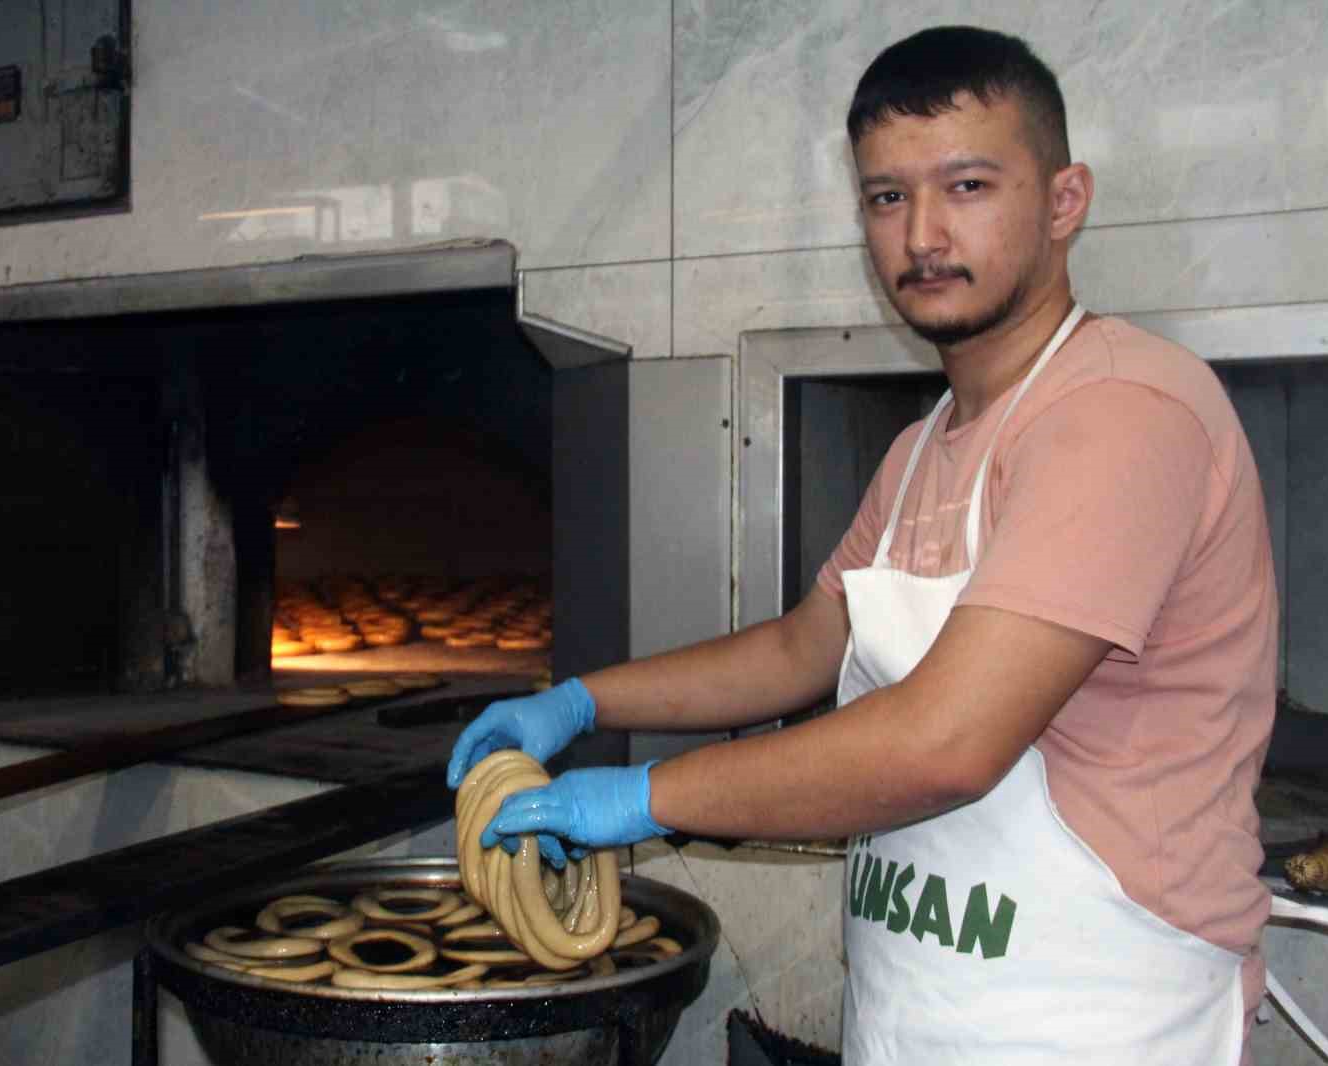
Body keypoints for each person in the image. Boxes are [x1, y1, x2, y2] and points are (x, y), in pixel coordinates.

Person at [445, 24, 1278, 1066]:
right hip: (918, 1007)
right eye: (886, 197)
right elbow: (802, 648)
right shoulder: (924, 445)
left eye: (966, 185)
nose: (922, 233)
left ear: (1065, 201)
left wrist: (640, 799)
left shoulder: (1122, 412)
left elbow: (946, 742)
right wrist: (578, 701)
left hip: (1096, 1020)